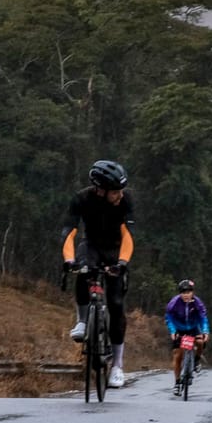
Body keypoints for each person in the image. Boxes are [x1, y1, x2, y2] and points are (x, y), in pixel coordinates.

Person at [61, 159, 134, 389]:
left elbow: (127, 235)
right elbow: (69, 232)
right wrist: (68, 260)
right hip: (90, 244)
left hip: (115, 249)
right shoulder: (81, 199)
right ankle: (82, 321)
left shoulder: (125, 201)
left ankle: (117, 366)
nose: (120, 195)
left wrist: (122, 263)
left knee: (115, 303)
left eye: (121, 190)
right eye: (115, 192)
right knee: (84, 270)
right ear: (100, 190)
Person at [165, 278, 209, 395]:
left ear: (192, 292)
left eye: (188, 292)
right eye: (183, 292)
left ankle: (196, 361)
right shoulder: (174, 303)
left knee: (200, 342)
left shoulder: (197, 302)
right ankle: (177, 382)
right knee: (178, 355)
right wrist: (173, 331)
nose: (186, 295)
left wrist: (205, 331)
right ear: (180, 293)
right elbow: (169, 318)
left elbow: (203, 318)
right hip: (179, 329)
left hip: (194, 328)